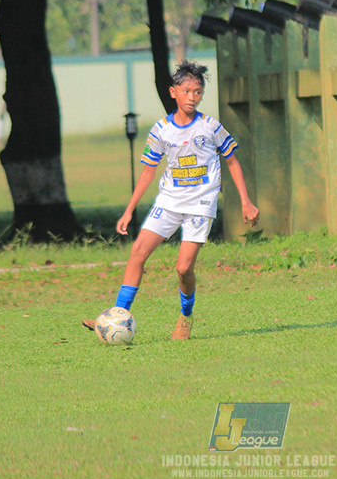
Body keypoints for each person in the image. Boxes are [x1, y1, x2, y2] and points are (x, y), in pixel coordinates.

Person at [84, 60, 260, 340]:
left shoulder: (210, 127)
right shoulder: (161, 130)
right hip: (169, 201)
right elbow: (148, 171)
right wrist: (129, 210)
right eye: (187, 91)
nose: (193, 97)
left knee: (183, 268)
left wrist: (246, 201)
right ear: (173, 92)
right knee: (138, 252)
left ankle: (185, 318)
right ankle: (117, 314)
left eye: (198, 92)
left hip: (201, 204)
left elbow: (233, 162)